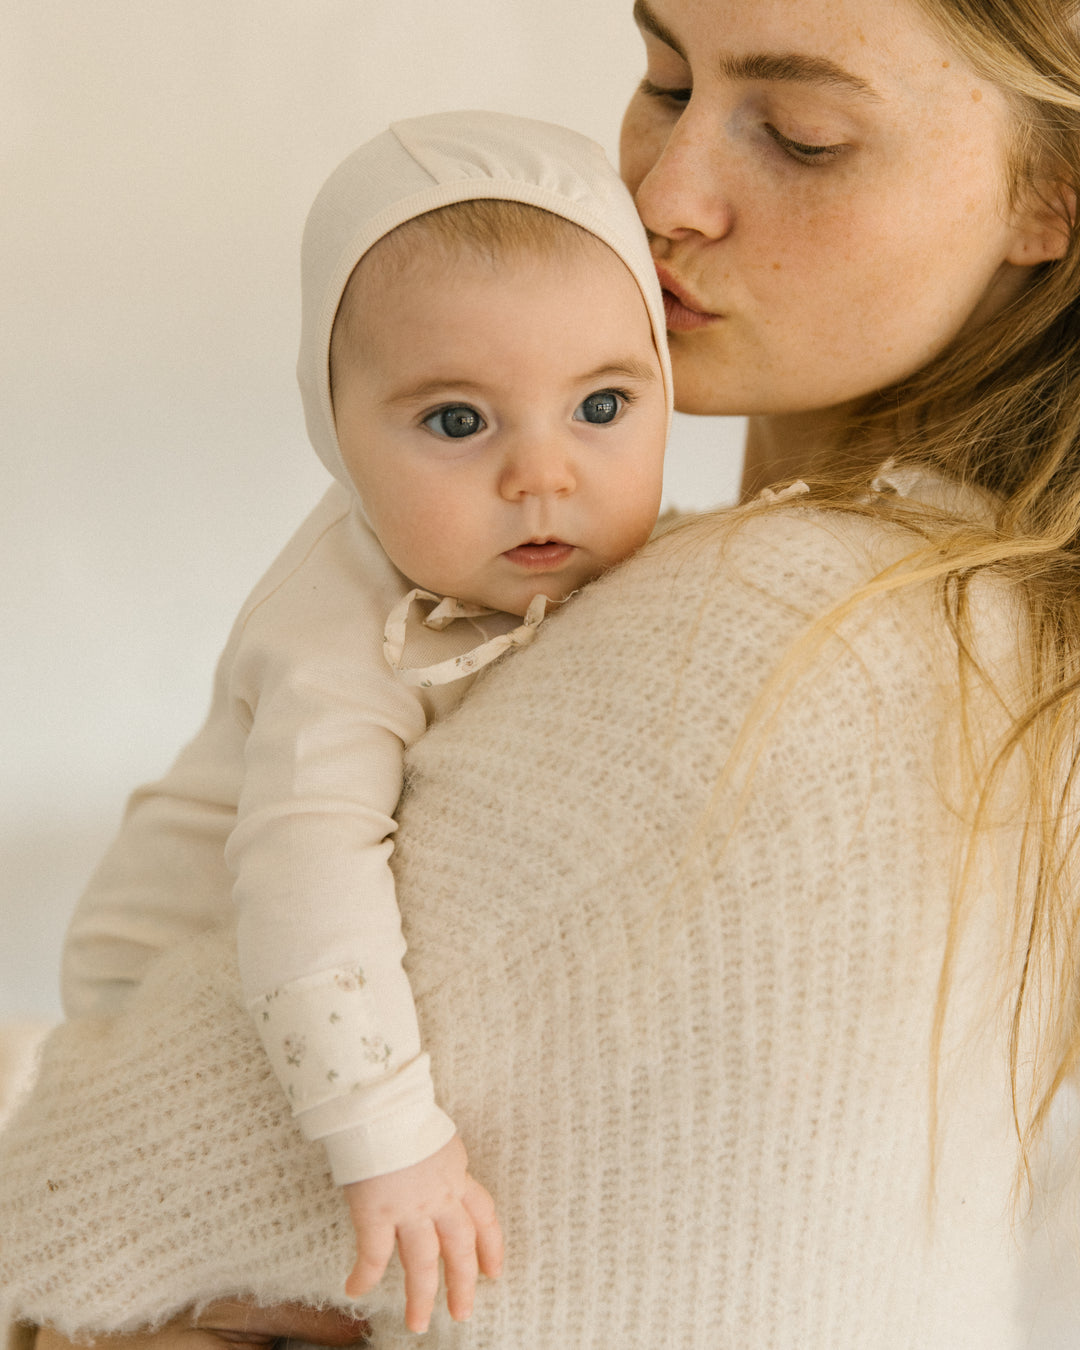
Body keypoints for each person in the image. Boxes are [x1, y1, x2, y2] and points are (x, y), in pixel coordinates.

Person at [4, 0, 1080, 1344]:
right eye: (665, 77)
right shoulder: (970, 631)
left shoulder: (808, 645)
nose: (664, 193)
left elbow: (68, 1190)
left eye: (802, 137)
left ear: (1058, 196)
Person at [54, 109, 672, 1335]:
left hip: (309, 975)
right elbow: (304, 886)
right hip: (182, 978)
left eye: (602, 406)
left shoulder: (601, 561)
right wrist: (388, 1138)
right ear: (337, 435)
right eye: (458, 422)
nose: (542, 475)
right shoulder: (338, 635)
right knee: (280, 1276)